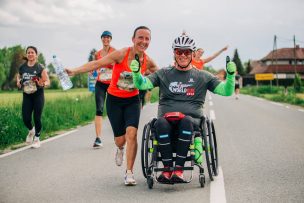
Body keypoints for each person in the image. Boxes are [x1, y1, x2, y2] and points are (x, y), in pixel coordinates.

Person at [130, 34, 236, 182]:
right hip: (166, 120)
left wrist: (231, 76)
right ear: (174, 53)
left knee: (186, 121)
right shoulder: (164, 73)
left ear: (193, 54)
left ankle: (178, 170)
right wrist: (136, 74)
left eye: (186, 52)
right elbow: (142, 84)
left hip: (191, 122)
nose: (183, 55)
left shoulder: (203, 76)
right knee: (159, 123)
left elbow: (226, 91)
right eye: (179, 52)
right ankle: (167, 170)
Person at [65, 26, 158, 185]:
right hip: (114, 100)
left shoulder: (147, 61)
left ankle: (129, 172)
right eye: (140, 38)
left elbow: (162, 75)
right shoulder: (121, 54)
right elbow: (97, 63)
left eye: (147, 39)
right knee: (120, 140)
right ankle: (120, 149)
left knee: (132, 134)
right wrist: (74, 71)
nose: (143, 41)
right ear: (133, 39)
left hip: (132, 101)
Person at [16, 46, 50, 149]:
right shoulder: (22, 67)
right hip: (26, 95)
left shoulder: (40, 67)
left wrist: (42, 84)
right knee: (26, 118)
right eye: (28, 52)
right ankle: (31, 131)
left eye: (32, 52)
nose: (30, 54)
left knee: (37, 117)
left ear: (36, 55)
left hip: (38, 95)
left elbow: (48, 81)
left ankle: (37, 138)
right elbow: (19, 78)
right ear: (27, 54)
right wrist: (18, 82)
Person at [92, 31, 116, 148]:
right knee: (99, 109)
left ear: (110, 39)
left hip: (112, 84)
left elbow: (118, 65)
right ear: (101, 39)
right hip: (100, 83)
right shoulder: (97, 54)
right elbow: (95, 66)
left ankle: (119, 133)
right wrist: (94, 71)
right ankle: (98, 138)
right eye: (104, 37)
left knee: (113, 109)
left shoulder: (115, 52)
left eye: (108, 37)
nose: (106, 39)